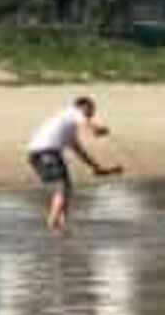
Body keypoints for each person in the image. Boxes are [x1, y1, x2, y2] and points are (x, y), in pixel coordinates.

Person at [25, 96, 122, 232]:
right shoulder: (73, 112)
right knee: (63, 188)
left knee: (66, 188)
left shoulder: (70, 126)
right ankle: (51, 225)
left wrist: (97, 168)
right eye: (91, 109)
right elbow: (88, 125)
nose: (93, 113)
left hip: (40, 153)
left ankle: (63, 224)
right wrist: (97, 130)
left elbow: (79, 151)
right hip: (45, 152)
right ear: (82, 107)